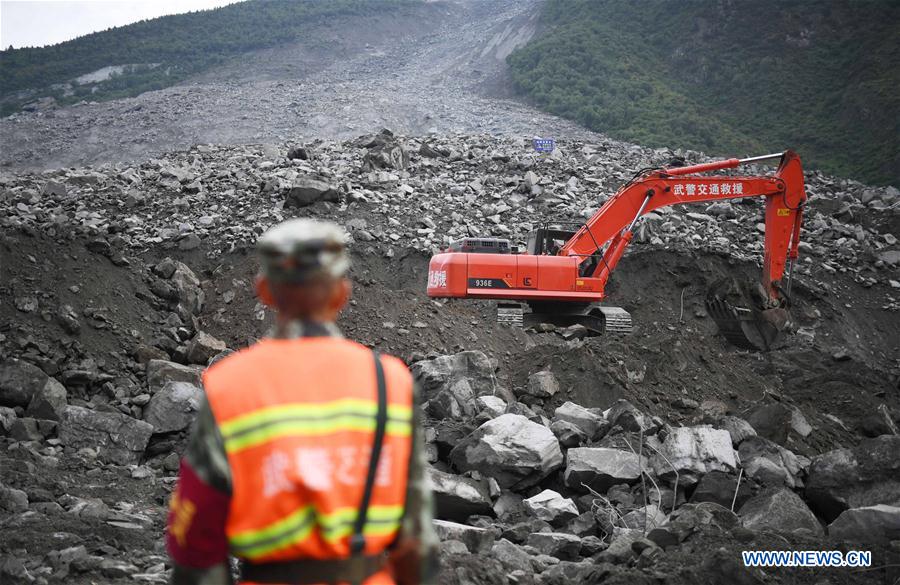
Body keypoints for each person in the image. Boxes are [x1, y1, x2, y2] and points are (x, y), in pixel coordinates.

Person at [166, 218, 438, 585]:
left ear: (264, 291)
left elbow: (195, 547)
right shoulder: (391, 382)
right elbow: (416, 541)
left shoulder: (229, 385)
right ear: (342, 292)